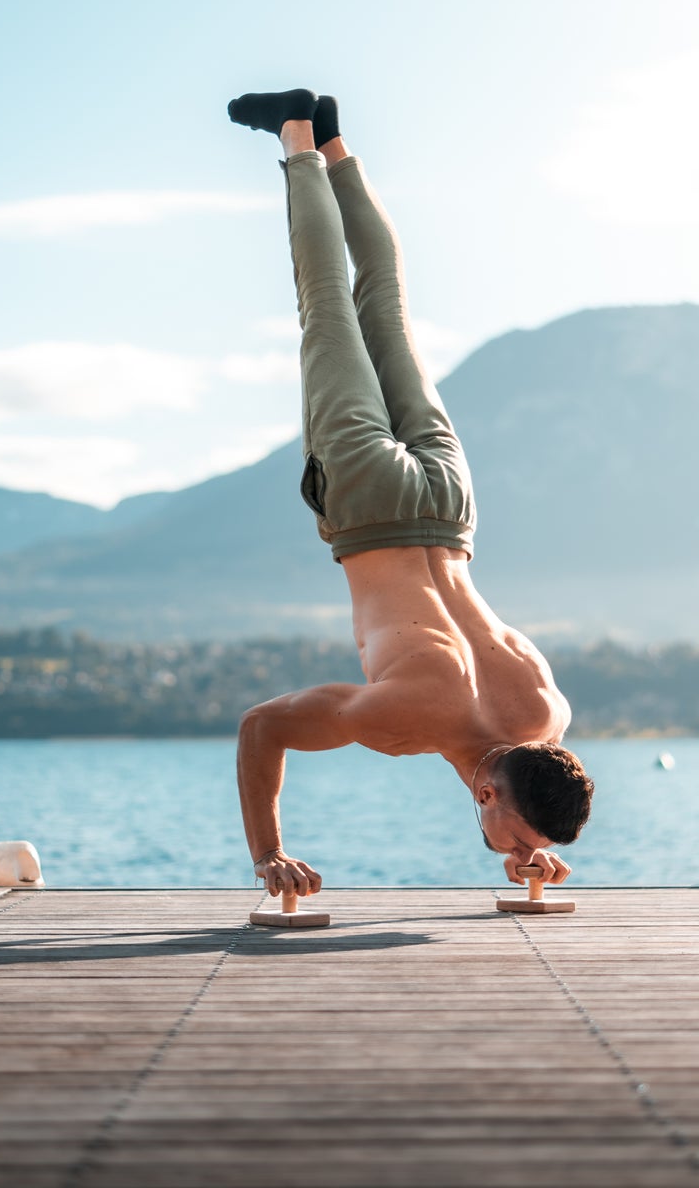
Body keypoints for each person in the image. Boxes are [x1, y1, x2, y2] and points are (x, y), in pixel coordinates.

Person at [228, 88, 593, 901]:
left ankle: (333, 147)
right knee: (328, 306)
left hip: (451, 508)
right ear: (489, 795)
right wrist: (267, 852)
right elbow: (262, 727)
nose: (506, 846)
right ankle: (293, 134)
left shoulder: (545, 713)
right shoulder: (408, 722)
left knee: (385, 305)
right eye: (516, 835)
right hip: (368, 504)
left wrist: (522, 830)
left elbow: (493, 758)